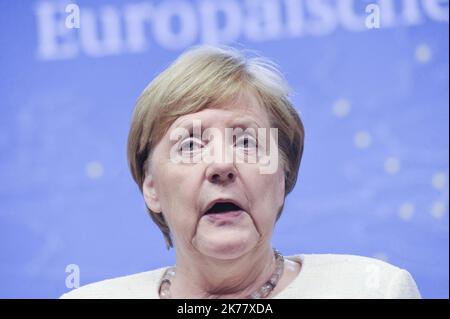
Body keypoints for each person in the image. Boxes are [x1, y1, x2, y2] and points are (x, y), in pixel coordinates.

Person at [61, 45, 420, 299]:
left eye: (246, 142)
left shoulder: (372, 291)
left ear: (281, 179)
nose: (221, 165)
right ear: (151, 188)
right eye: (189, 146)